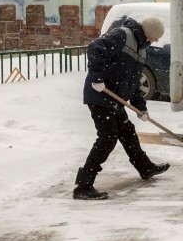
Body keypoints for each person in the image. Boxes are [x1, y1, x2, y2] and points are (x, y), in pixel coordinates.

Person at [73, 16, 170, 200]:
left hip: (115, 100)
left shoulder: (142, 50)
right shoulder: (122, 35)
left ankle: (145, 168)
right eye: (155, 37)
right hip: (100, 95)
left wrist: (141, 108)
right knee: (107, 138)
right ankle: (83, 186)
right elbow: (95, 48)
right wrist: (97, 78)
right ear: (148, 32)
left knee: (127, 132)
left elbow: (132, 83)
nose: (155, 41)